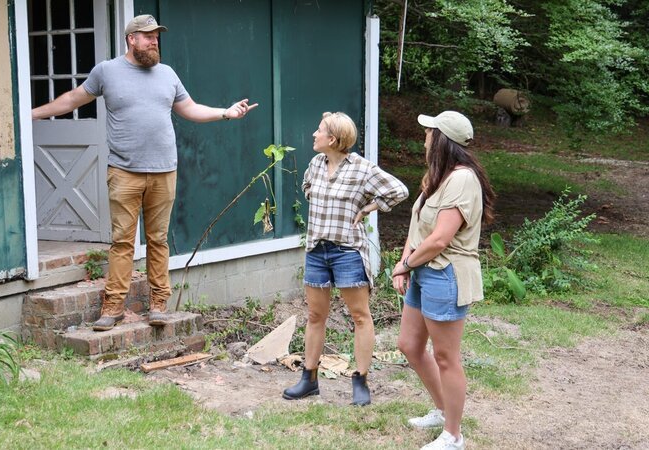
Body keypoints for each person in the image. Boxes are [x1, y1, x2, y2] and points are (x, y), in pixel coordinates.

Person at [32, 15, 257, 331]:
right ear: (131, 39)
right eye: (148, 36)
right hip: (124, 172)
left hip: (165, 171)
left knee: (158, 240)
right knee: (122, 241)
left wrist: (226, 113)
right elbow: (72, 99)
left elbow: (189, 108)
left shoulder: (167, 74)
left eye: (156, 37)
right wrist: (32, 114)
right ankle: (113, 308)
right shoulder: (107, 72)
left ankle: (159, 304)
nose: (154, 41)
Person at [282, 112, 409, 406]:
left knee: (360, 316)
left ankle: (360, 380)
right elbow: (308, 188)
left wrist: (367, 208)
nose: (314, 134)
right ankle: (309, 379)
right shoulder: (316, 164)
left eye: (320, 130)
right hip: (316, 250)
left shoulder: (362, 169)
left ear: (333, 139)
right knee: (315, 316)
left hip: (347, 253)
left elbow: (398, 191)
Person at [392, 111, 495, 450]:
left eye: (429, 132)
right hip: (424, 271)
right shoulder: (438, 177)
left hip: (445, 273)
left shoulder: (462, 179)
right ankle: (441, 409)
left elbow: (439, 239)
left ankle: (453, 435)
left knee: (446, 357)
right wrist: (405, 263)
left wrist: (405, 264)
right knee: (409, 344)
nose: (424, 137)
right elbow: (417, 227)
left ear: (441, 139)